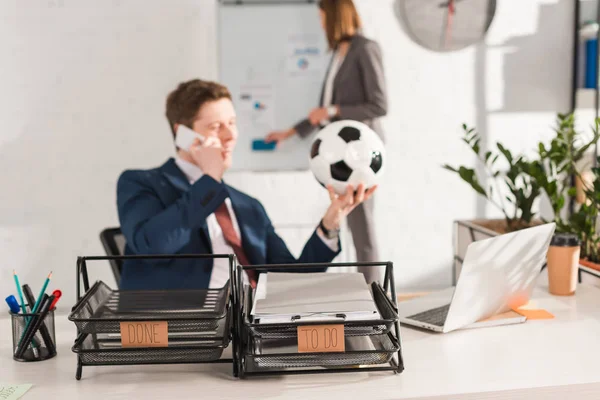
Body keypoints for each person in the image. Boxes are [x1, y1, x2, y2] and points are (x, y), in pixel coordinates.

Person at [116, 79, 376, 290]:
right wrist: (208, 181)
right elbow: (152, 247)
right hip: (189, 331)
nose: (230, 135)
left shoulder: (247, 206)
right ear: (182, 134)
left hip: (252, 331)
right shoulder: (141, 183)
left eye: (232, 123)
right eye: (216, 127)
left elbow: (291, 278)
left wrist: (329, 224)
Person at [265, 0, 387, 283]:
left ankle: (375, 295)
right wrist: (291, 132)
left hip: (360, 156)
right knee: (346, 219)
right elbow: (325, 108)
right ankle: (362, 289)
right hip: (338, 154)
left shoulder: (365, 49)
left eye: (322, 17)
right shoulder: (339, 53)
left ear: (334, 17)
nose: (320, 24)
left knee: (362, 226)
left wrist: (333, 111)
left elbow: (379, 105)